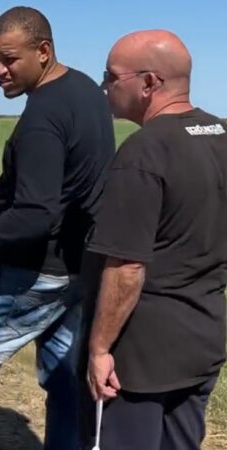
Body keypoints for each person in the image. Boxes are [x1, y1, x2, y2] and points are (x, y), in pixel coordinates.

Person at [0, 7, 115, 450]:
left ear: (43, 51)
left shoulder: (42, 116)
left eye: (10, 59)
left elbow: (35, 214)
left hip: (35, 269)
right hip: (80, 265)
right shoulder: (88, 92)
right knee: (61, 376)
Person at [87, 30, 227, 450]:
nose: (104, 86)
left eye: (111, 76)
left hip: (142, 356)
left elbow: (127, 267)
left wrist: (99, 348)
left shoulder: (143, 152)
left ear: (149, 83)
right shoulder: (221, 135)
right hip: (203, 337)